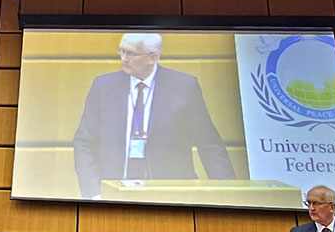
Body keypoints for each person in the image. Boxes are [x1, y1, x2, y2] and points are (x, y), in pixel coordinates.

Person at [72, 33, 235, 199]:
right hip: (115, 192)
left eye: (131, 53)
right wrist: (93, 193)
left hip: (170, 195)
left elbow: (209, 144)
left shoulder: (184, 87)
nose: (124, 58)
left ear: (153, 57)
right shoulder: (104, 86)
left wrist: (227, 194)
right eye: (121, 51)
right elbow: (84, 142)